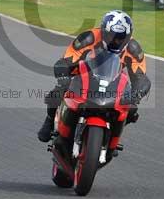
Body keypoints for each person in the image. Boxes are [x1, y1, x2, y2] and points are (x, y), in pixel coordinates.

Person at [37, 10, 151, 142]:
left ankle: (111, 136)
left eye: (121, 37)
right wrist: (63, 76)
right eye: (112, 35)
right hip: (83, 75)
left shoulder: (133, 49)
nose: (116, 41)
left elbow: (140, 77)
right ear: (103, 31)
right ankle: (50, 120)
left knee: (131, 109)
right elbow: (66, 60)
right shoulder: (88, 38)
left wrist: (136, 94)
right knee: (58, 91)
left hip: (112, 80)